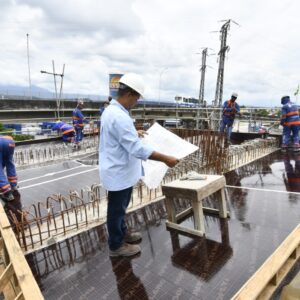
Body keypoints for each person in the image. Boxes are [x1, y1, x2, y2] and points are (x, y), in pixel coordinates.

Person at [99, 73, 179, 257]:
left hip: (121, 171)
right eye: (136, 99)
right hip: (118, 172)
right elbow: (137, 149)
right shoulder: (118, 116)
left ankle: (122, 233)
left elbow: (121, 136)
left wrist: (134, 132)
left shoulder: (114, 112)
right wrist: (166, 158)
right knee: (116, 210)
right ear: (129, 95)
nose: (136, 103)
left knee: (121, 208)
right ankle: (116, 245)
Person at [0, 135, 22, 225]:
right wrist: (12, 185)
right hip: (10, 141)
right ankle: (14, 187)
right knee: (10, 163)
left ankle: (8, 194)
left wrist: (5, 190)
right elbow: (8, 166)